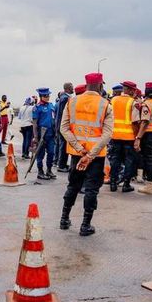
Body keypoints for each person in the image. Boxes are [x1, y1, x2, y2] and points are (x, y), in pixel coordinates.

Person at [59, 73, 114, 236]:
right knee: (91, 190)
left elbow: (64, 128)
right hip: (95, 157)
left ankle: (64, 219)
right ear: (100, 85)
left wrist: (79, 148)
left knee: (73, 186)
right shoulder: (105, 105)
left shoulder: (72, 101)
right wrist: (90, 154)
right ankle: (85, 225)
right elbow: (108, 133)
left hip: (77, 154)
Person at [108, 81, 140, 192]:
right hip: (129, 137)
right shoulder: (133, 103)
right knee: (129, 161)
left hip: (115, 135)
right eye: (134, 90)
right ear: (130, 90)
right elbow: (135, 122)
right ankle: (126, 184)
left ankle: (113, 183)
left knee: (115, 160)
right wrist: (137, 137)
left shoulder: (113, 100)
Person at [32, 87, 57, 180]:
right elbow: (34, 123)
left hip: (51, 134)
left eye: (48, 95)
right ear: (41, 96)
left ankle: (49, 170)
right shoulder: (37, 108)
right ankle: (40, 171)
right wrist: (35, 137)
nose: (48, 97)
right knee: (40, 154)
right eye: (46, 96)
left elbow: (54, 119)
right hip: (41, 135)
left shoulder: (51, 106)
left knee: (51, 153)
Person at [54, 82, 74, 172]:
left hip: (60, 125)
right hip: (63, 125)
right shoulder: (65, 98)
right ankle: (61, 165)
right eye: (72, 87)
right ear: (68, 88)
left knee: (62, 145)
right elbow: (63, 113)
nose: (73, 88)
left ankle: (61, 163)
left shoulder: (63, 97)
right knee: (63, 145)